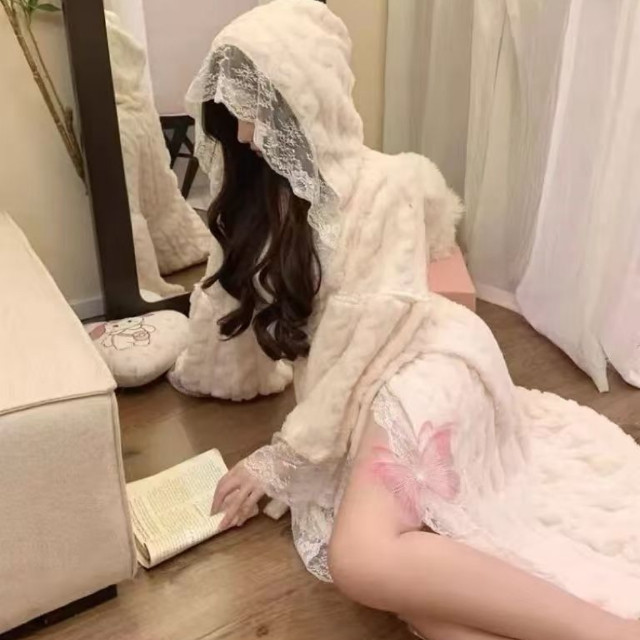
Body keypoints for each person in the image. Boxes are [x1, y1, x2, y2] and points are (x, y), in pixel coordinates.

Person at [169, 1, 640, 638]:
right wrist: (193, 372)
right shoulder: (258, 195)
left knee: (362, 560)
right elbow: (225, 310)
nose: (246, 132)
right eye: (234, 108)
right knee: (419, 603)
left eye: (256, 106)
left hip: (420, 365)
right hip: (356, 391)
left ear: (304, 95)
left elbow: (365, 337)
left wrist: (282, 459)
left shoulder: (388, 185)